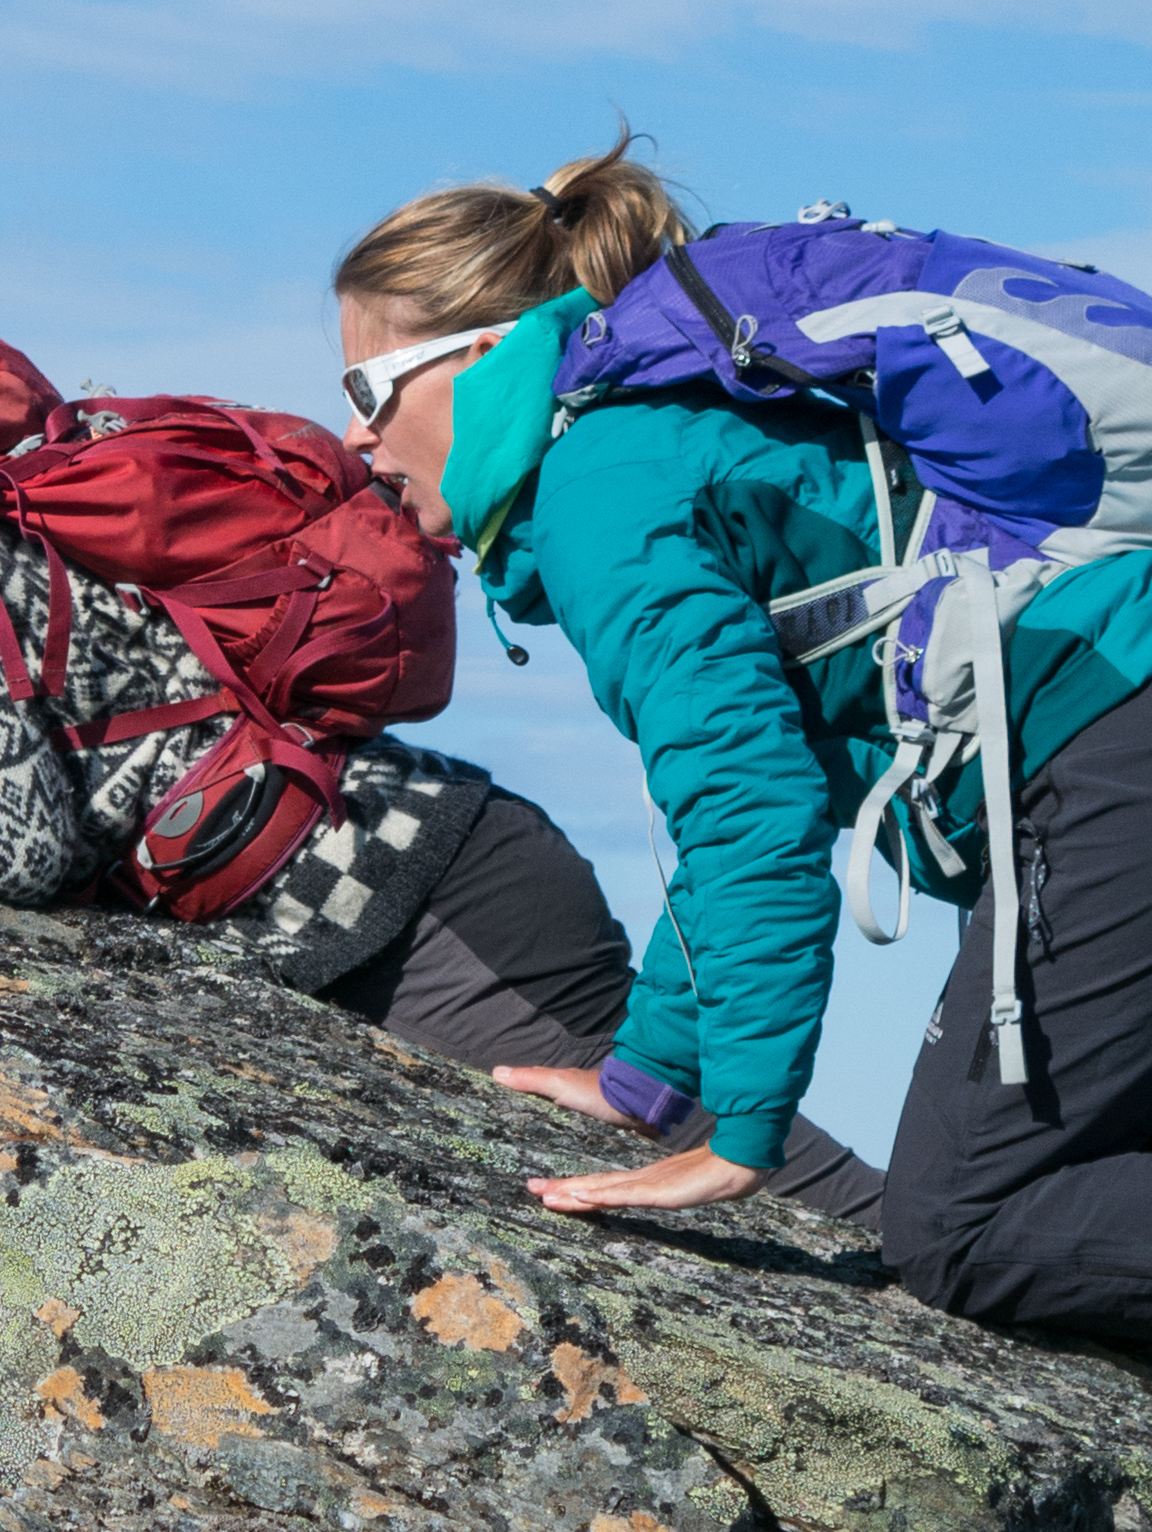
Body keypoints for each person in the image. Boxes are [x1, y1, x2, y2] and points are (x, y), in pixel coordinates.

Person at [0, 265, 879, 1219]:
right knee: (715, 1189)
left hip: (416, 907)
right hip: (384, 896)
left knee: (778, 1208)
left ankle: (1046, 1326)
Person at [334, 139, 1152, 1332]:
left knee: (967, 1231)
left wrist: (747, 1134)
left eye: (365, 389)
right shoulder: (653, 434)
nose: (354, 437)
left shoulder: (598, 490)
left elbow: (748, 807)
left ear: (477, 358)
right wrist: (654, 1078)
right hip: (1114, 723)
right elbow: (777, 786)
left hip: (1109, 743)